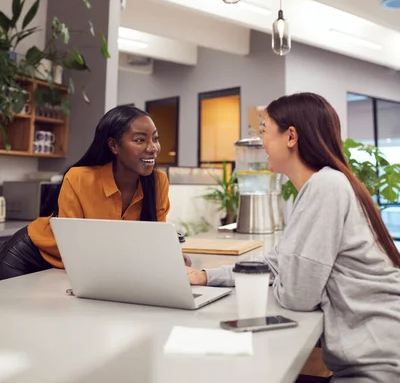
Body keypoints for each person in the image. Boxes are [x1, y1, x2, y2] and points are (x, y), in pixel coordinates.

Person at [187, 93, 400, 382]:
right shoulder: (323, 185)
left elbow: (298, 295)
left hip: (376, 368)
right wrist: (205, 276)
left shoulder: (326, 186)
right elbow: (276, 264)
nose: (261, 141)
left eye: (264, 130)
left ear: (290, 136)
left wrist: (289, 279)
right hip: (368, 359)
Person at [0, 104, 171, 280]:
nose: (153, 148)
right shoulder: (79, 178)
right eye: (140, 140)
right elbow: (73, 245)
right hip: (29, 257)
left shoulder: (158, 182)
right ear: (114, 145)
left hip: (77, 266)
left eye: (155, 139)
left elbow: (154, 242)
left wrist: (171, 261)